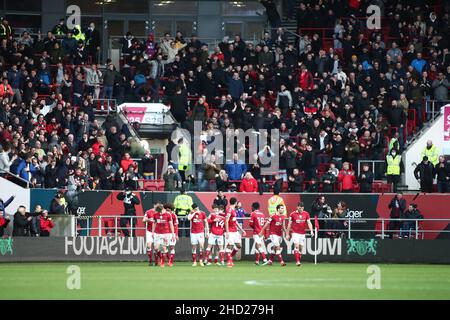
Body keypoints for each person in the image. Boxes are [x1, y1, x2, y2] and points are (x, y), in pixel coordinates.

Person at [225, 197, 247, 267]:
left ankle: (230, 257)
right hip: (230, 231)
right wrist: (227, 231)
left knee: (239, 245)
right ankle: (229, 261)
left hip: (235, 231)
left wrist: (242, 230)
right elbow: (226, 220)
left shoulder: (234, 210)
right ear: (235, 202)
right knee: (230, 246)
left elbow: (235, 221)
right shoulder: (229, 210)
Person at [143, 201, 160, 266]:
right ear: (154, 205)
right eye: (157, 206)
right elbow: (143, 220)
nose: (158, 207)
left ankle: (156, 260)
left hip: (157, 232)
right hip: (149, 231)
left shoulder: (160, 212)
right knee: (149, 246)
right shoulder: (148, 212)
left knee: (156, 248)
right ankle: (150, 261)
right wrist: (149, 219)